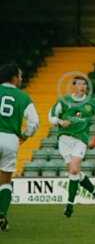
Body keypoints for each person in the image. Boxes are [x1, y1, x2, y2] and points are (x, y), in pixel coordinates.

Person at [49, 76, 95, 217]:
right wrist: (59, 121)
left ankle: (70, 205)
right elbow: (51, 116)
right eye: (79, 84)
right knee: (74, 172)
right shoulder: (64, 101)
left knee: (74, 168)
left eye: (84, 84)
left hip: (80, 140)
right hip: (64, 140)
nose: (82, 86)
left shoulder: (92, 102)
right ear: (73, 86)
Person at [0, 63, 39, 231]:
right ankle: (1, 214)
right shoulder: (23, 97)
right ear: (14, 77)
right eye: (20, 76)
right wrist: (25, 135)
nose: (21, 79)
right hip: (10, 139)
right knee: (5, 181)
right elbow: (35, 122)